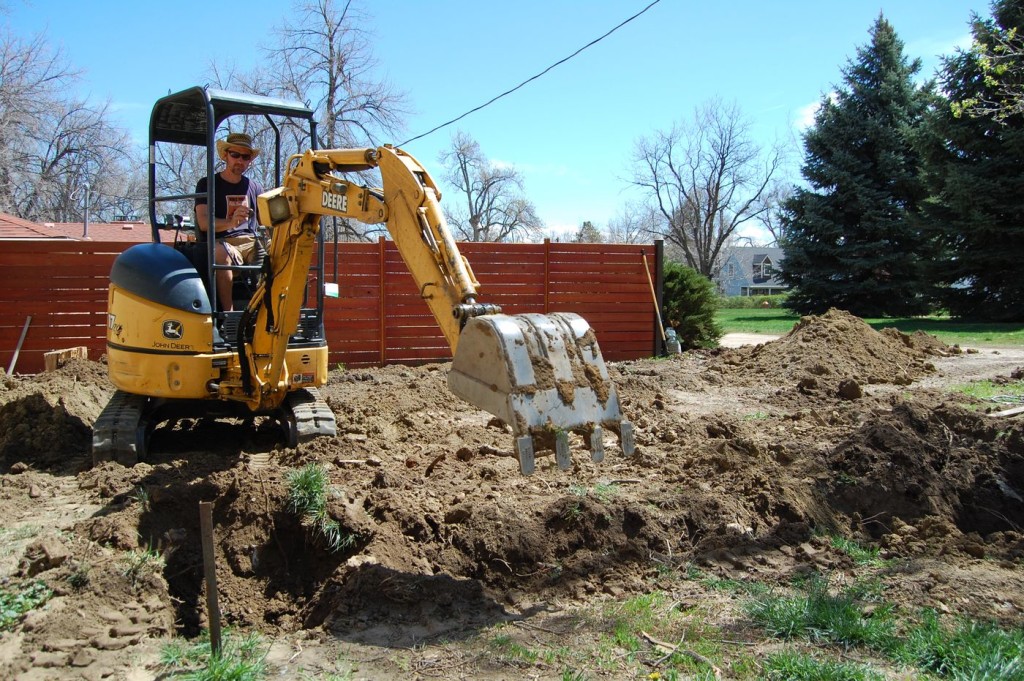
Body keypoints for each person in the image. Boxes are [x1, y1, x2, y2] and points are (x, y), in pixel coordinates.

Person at [194, 132, 265, 311]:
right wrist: (231, 223)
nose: (239, 160)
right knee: (220, 254)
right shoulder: (207, 184)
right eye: (235, 155)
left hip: (251, 241)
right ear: (225, 155)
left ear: (250, 160)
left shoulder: (255, 187)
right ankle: (228, 314)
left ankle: (270, 313)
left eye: (245, 157)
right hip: (223, 242)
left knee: (281, 252)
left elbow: (266, 222)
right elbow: (203, 222)